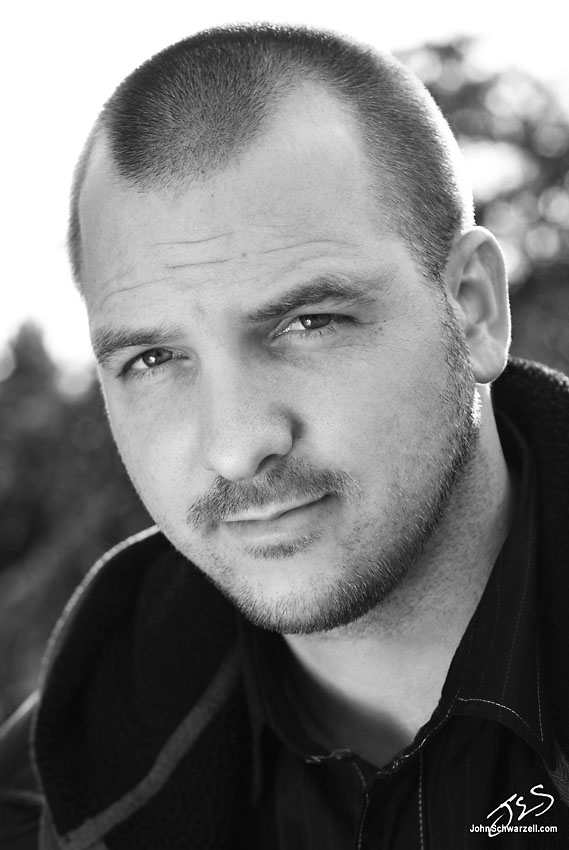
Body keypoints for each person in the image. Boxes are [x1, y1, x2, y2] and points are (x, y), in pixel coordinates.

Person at [1, 24, 568, 850]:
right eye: (153, 358)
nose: (236, 446)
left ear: (473, 309)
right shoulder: (38, 802)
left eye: (310, 321)